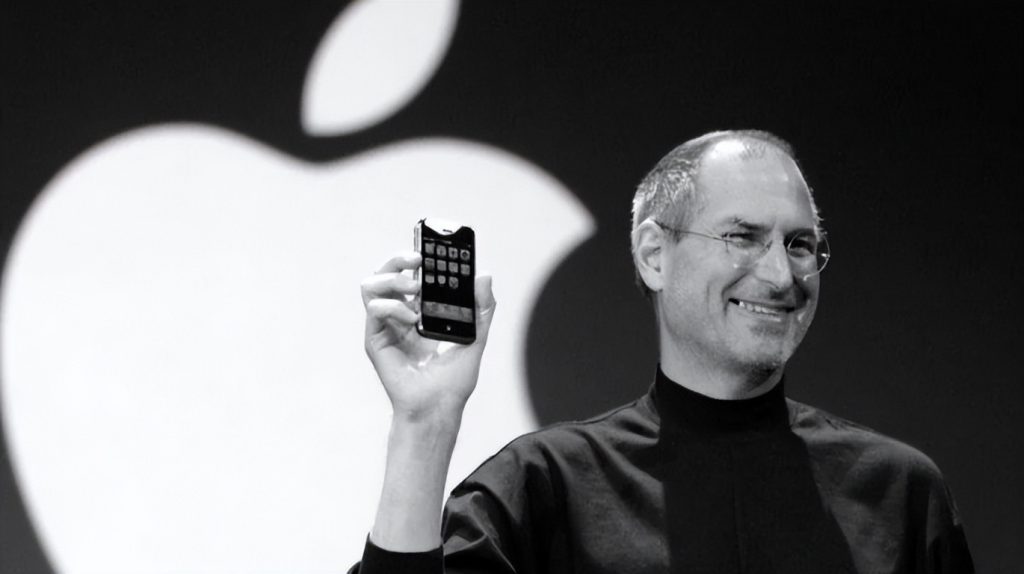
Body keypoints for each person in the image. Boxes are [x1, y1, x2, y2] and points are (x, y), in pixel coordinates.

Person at [350, 130, 973, 573]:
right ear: (654, 255)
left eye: (801, 244)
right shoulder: (543, 487)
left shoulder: (899, 494)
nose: (781, 275)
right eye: (743, 237)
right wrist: (424, 424)